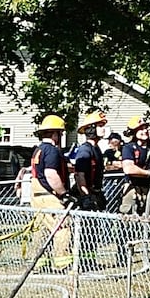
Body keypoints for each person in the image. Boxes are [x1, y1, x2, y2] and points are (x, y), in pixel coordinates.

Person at [29, 115, 75, 271]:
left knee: (40, 229)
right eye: (60, 133)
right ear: (55, 134)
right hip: (50, 196)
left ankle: (38, 264)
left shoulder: (39, 150)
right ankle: (63, 263)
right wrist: (64, 194)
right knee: (62, 227)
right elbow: (50, 174)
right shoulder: (52, 151)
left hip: (37, 196)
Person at [118, 117, 150, 217]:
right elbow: (128, 169)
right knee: (129, 216)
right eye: (141, 129)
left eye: (146, 128)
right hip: (133, 186)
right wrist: (148, 173)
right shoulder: (129, 147)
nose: (145, 131)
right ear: (133, 132)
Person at [69, 111, 108, 212]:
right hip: (88, 195)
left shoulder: (96, 149)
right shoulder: (85, 150)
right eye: (100, 126)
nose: (104, 129)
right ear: (91, 129)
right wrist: (86, 196)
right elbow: (79, 175)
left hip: (96, 193)